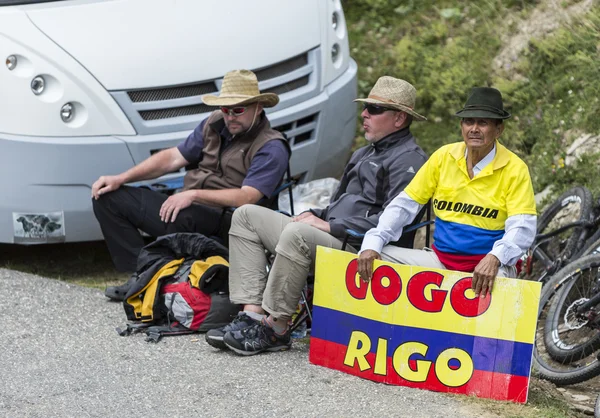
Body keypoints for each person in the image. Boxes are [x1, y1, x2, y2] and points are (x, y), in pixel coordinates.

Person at [205, 76, 429, 355]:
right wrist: (315, 214)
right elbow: (339, 204)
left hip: (362, 249)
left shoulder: (410, 159)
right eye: (365, 107)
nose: (364, 114)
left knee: (297, 233)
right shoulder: (363, 153)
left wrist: (330, 225)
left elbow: (396, 224)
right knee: (246, 215)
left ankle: (276, 328)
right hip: (332, 233)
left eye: (374, 109)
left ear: (399, 119)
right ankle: (251, 317)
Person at [92, 69, 290, 301]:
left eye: (238, 109)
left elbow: (247, 197)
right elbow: (173, 158)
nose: (230, 117)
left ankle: (155, 279)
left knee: (180, 211)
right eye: (225, 109)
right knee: (107, 197)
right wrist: (121, 178)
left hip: (229, 221)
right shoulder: (213, 124)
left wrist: (194, 195)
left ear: (258, 108)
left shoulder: (271, 146)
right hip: (189, 207)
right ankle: (143, 275)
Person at [357, 87, 537, 298]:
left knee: (499, 288)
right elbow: (404, 205)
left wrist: (495, 257)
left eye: (483, 123)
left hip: (487, 265)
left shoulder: (515, 168)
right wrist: (374, 241)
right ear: (461, 126)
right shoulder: (444, 156)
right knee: (375, 257)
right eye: (469, 121)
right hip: (440, 260)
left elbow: (522, 226)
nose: (474, 129)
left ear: (499, 130)